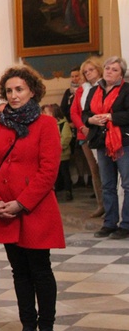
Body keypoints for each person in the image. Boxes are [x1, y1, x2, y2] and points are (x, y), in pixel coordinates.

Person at [0, 65, 64, 331]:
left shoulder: (46, 124)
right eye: (9, 90)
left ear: (32, 91)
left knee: (40, 269)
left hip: (34, 209)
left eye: (19, 89)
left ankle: (47, 329)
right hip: (4, 209)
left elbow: (48, 171)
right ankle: (27, 327)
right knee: (19, 271)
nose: (13, 95)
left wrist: (21, 203)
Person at [83, 56, 129, 240]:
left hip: (122, 142)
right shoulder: (95, 90)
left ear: (121, 74)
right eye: (108, 68)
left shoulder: (127, 90)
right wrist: (91, 120)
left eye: (114, 69)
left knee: (127, 184)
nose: (109, 71)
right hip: (101, 142)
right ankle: (109, 223)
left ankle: (126, 224)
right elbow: (85, 112)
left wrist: (111, 117)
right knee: (107, 185)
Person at [71, 56, 105, 217]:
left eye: (91, 70)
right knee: (95, 170)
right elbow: (74, 112)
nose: (88, 73)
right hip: (85, 133)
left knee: (108, 170)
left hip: (103, 132)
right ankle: (101, 204)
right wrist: (83, 127)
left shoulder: (106, 86)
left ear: (98, 70)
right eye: (85, 72)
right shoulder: (81, 90)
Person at [42, 104, 73, 201]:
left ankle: (68, 191)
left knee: (65, 173)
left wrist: (57, 147)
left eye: (46, 112)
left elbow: (66, 137)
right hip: (51, 155)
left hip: (62, 154)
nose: (43, 114)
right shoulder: (45, 124)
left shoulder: (63, 124)